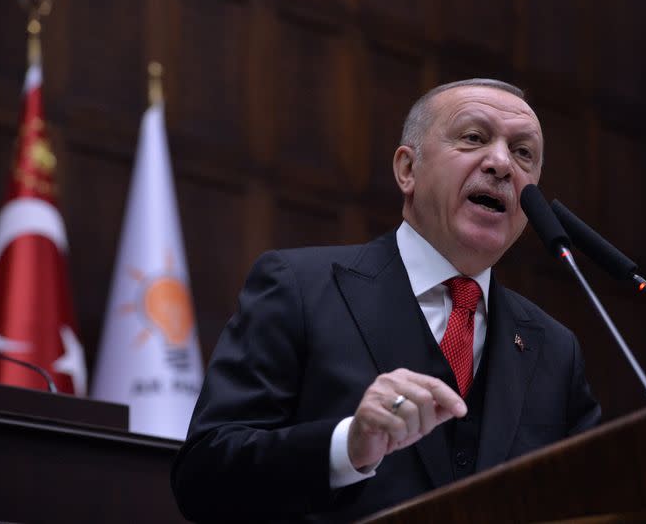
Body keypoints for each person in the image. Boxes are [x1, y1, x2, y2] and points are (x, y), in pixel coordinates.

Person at [171, 78, 600, 522]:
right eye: (473, 138)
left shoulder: (554, 348)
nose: (501, 163)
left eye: (523, 152)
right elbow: (203, 479)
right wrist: (347, 446)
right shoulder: (298, 287)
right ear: (407, 170)